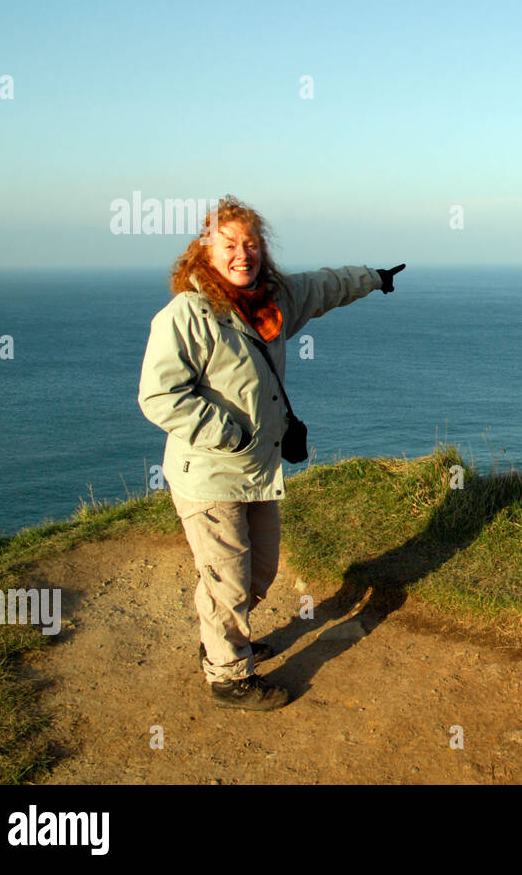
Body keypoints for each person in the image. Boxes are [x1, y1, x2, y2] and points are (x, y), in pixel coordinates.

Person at [138, 195, 403, 711]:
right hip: (209, 473)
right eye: (229, 244)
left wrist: (373, 277)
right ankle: (227, 676)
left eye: (252, 243)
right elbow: (158, 396)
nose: (243, 254)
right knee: (229, 581)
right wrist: (227, 433)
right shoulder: (188, 314)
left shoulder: (272, 298)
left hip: (258, 469)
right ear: (204, 252)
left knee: (259, 573)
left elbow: (324, 286)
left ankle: (221, 638)